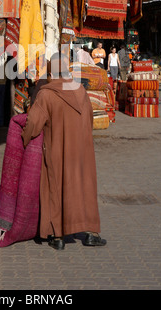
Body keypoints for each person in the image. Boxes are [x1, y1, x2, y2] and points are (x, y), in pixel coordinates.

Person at [21, 52, 106, 250]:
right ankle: (91, 232)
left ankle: (57, 236)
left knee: (55, 187)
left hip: (57, 149)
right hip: (83, 151)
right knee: (84, 187)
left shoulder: (46, 93)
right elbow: (90, 120)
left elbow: (33, 123)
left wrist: (24, 139)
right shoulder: (80, 89)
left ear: (51, 72)